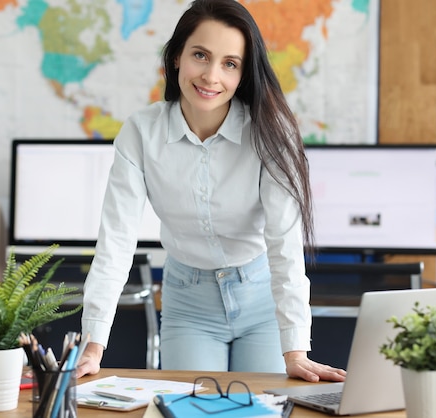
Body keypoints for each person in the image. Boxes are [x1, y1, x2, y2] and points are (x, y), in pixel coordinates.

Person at [76, 0, 346, 383]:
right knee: (192, 408)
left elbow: (284, 243)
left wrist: (295, 348)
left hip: (262, 299)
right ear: (176, 58)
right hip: (188, 301)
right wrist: (93, 343)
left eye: (230, 64)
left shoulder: (270, 133)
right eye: (200, 55)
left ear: (243, 73)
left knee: (266, 408)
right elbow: (116, 242)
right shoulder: (141, 133)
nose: (211, 76)